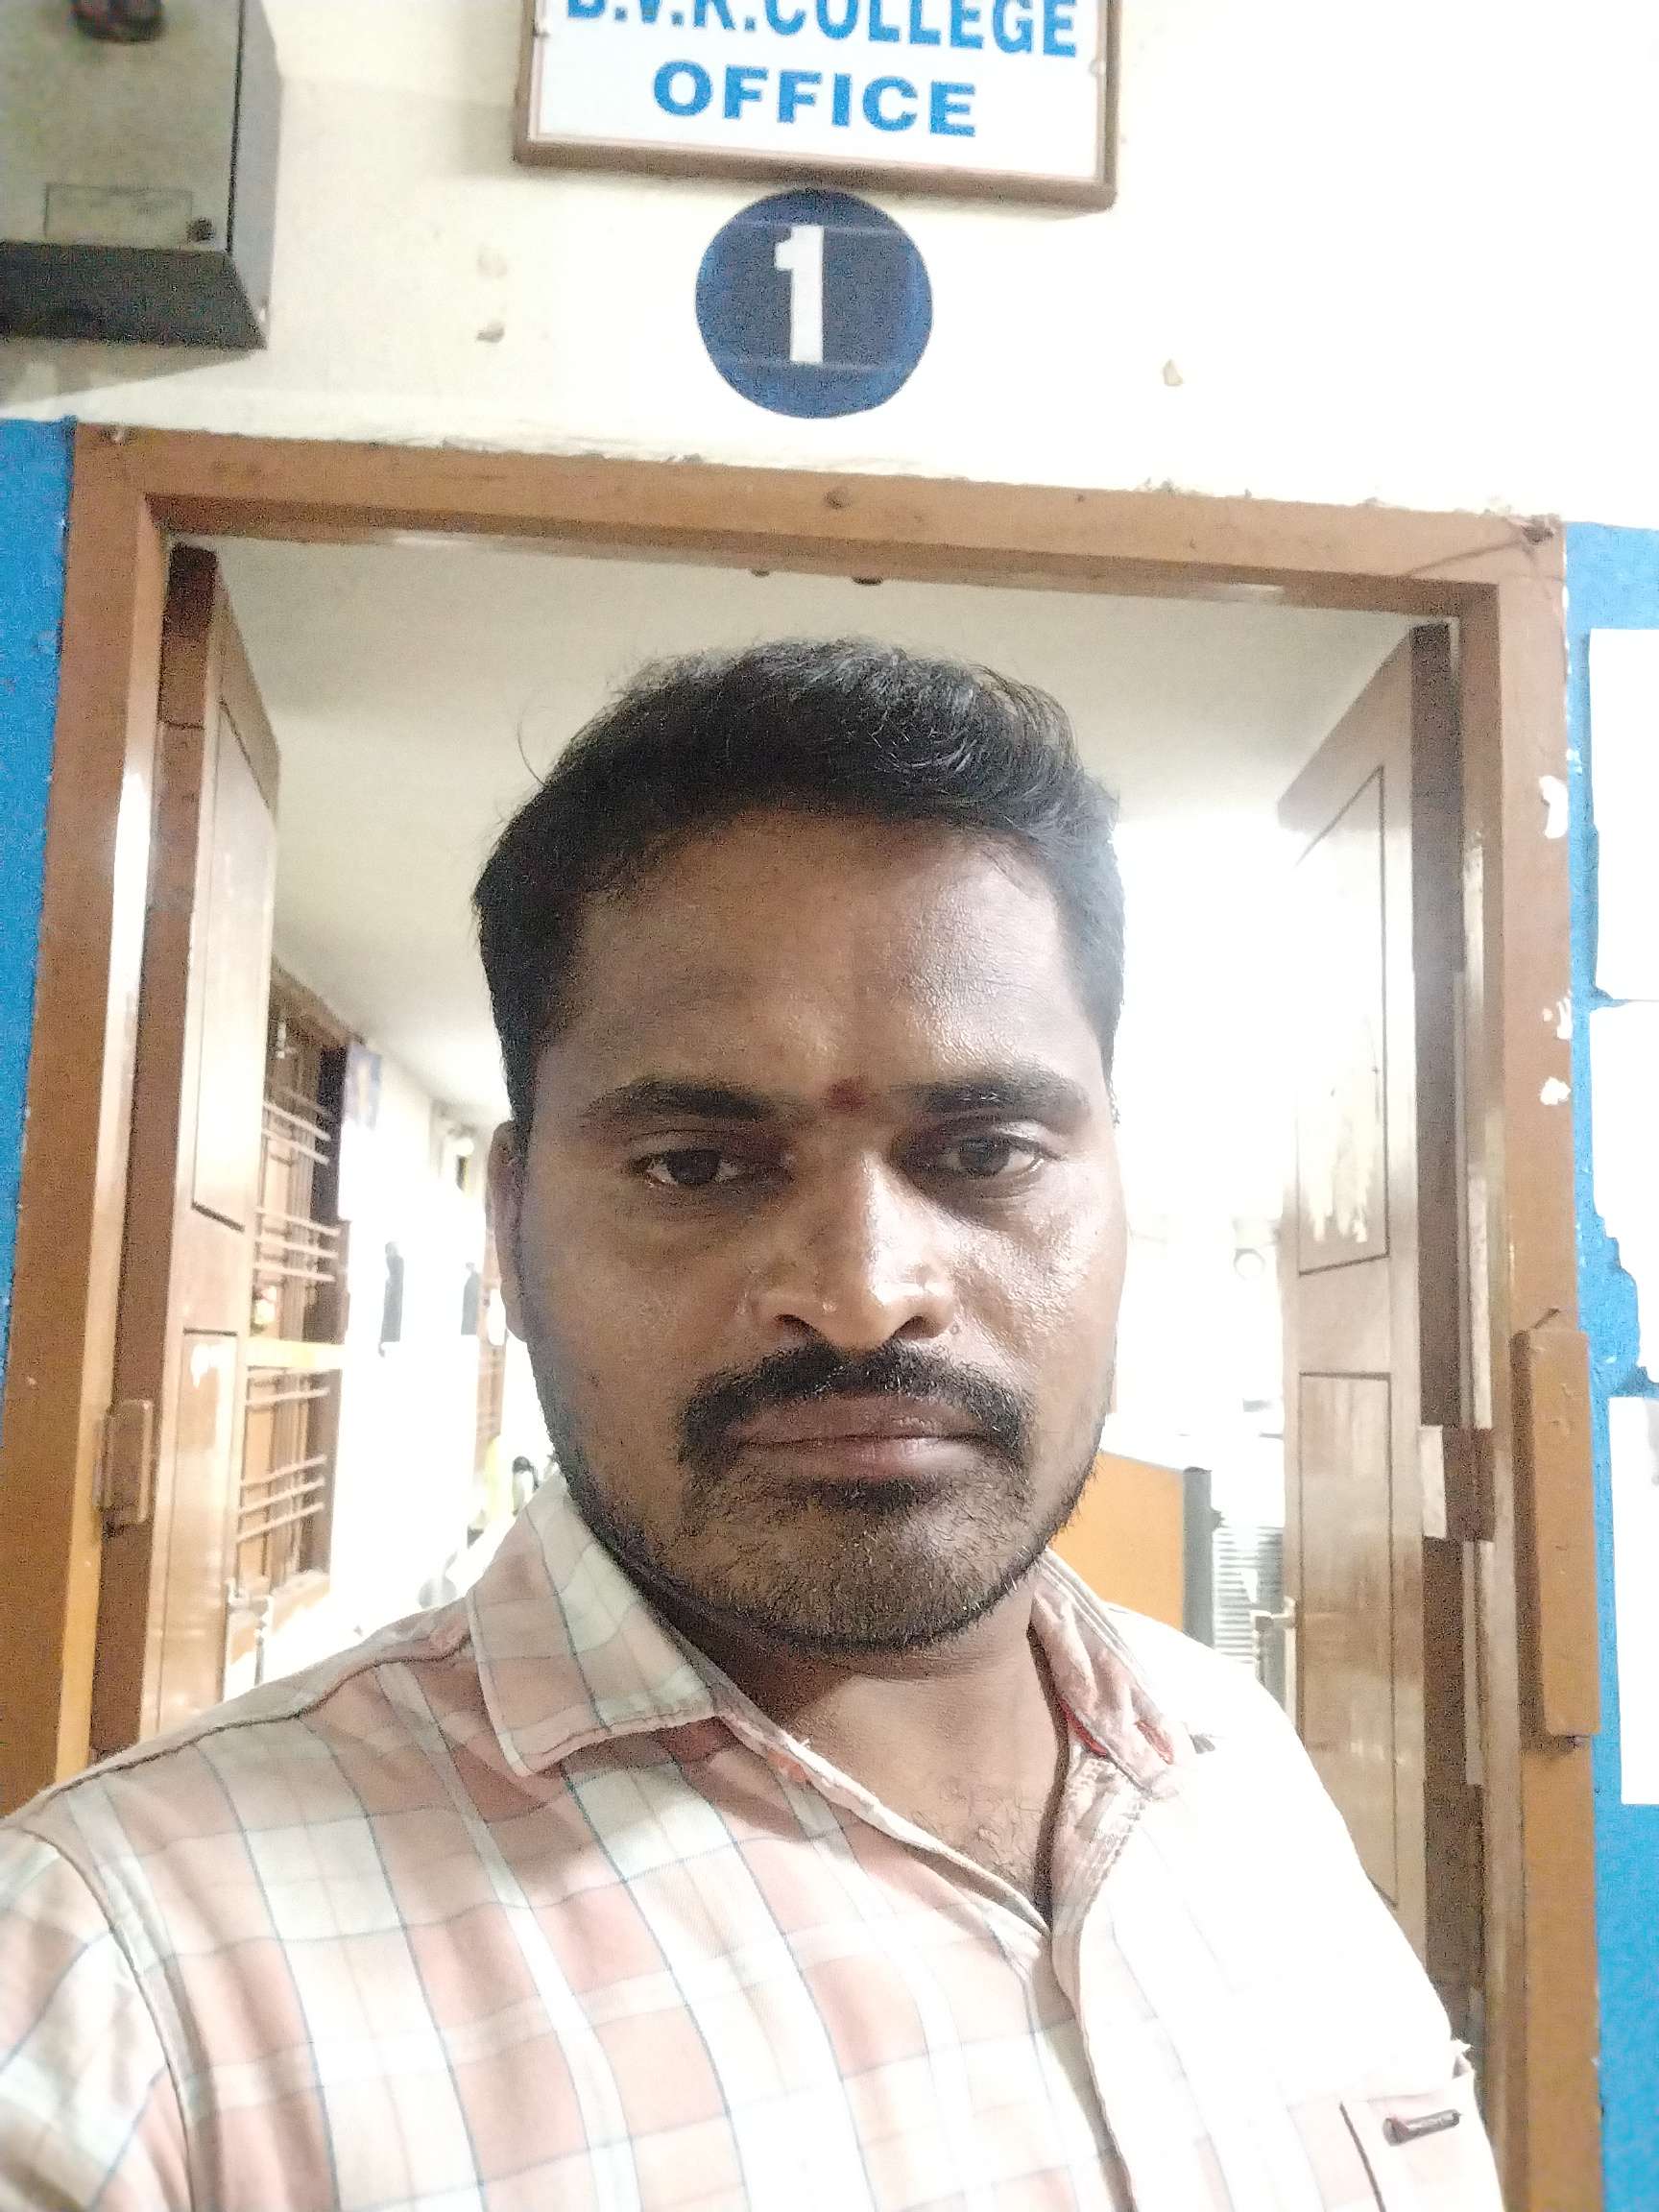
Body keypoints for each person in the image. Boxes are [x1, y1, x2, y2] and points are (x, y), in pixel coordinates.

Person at [0, 640, 1501, 2209]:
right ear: (510, 1226)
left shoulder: (1235, 1763)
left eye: (985, 1152)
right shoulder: (123, 1997)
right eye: (697, 1167)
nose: (863, 1297)